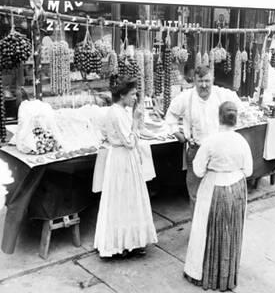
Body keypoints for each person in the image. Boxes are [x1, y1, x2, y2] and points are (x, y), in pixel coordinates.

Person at [183, 101, 253, 291]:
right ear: (235, 118)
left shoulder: (210, 141)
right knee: (231, 231)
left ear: (219, 117)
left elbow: (197, 171)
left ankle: (204, 273)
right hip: (237, 189)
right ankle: (226, 276)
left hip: (214, 187)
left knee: (206, 230)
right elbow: (248, 171)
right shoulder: (242, 141)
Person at [94, 76, 158, 258]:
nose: (135, 98)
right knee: (124, 198)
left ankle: (129, 241)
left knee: (125, 198)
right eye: (132, 94)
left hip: (121, 157)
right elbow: (129, 141)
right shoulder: (117, 113)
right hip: (122, 157)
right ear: (122, 95)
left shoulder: (118, 111)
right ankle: (122, 244)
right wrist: (136, 121)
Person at [165, 65, 243, 212]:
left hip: (218, 153)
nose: (204, 85)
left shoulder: (222, 94)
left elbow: (240, 108)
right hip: (196, 151)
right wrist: (176, 132)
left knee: (217, 192)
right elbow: (170, 116)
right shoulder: (185, 98)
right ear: (194, 80)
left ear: (213, 79)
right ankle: (197, 232)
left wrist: (229, 131)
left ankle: (212, 230)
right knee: (195, 194)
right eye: (200, 81)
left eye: (207, 80)